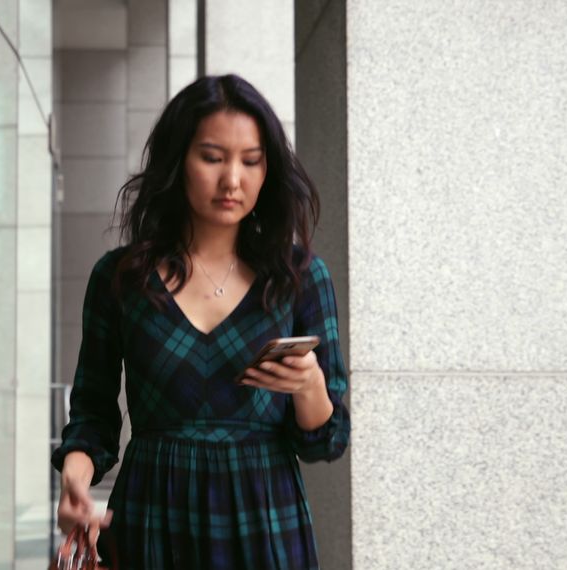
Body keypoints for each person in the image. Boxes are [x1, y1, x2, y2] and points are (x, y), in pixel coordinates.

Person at [51, 74, 350, 569]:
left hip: (264, 520)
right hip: (153, 516)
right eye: (213, 157)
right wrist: (75, 481)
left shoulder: (299, 276)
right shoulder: (121, 278)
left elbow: (327, 439)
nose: (233, 179)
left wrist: (309, 383)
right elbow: (93, 417)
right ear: (177, 162)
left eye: (251, 161)